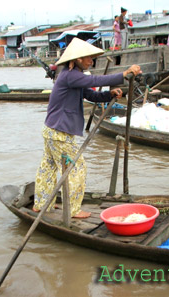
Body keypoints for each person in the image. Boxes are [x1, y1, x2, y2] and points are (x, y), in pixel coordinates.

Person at [33, 37, 141, 218]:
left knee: (49, 167)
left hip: (52, 130)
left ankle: (41, 204)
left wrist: (109, 94)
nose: (91, 61)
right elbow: (98, 79)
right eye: (88, 58)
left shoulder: (72, 77)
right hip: (59, 132)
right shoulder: (70, 75)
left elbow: (91, 94)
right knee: (77, 168)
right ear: (77, 59)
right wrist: (123, 74)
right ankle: (73, 210)